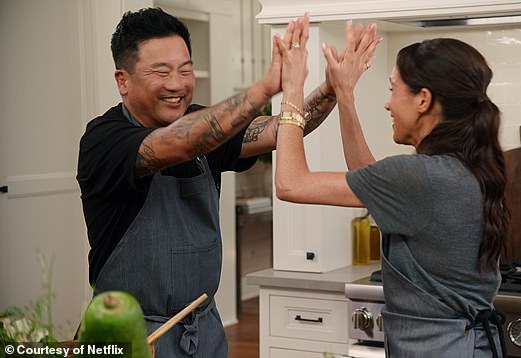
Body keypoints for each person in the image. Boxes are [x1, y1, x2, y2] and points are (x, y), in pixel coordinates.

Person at [76, 8, 340, 358]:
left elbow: (281, 128)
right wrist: (265, 86)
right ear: (122, 80)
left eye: (185, 70)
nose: (177, 84)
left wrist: (333, 88)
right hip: (130, 336)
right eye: (162, 71)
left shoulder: (202, 126)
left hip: (203, 331)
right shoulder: (104, 138)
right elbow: (180, 142)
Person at [274, 15, 508, 358]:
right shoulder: (462, 167)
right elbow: (370, 177)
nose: (387, 103)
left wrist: (292, 88)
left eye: (392, 89)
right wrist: (344, 94)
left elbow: (290, 184)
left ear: (423, 99)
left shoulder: (420, 177)